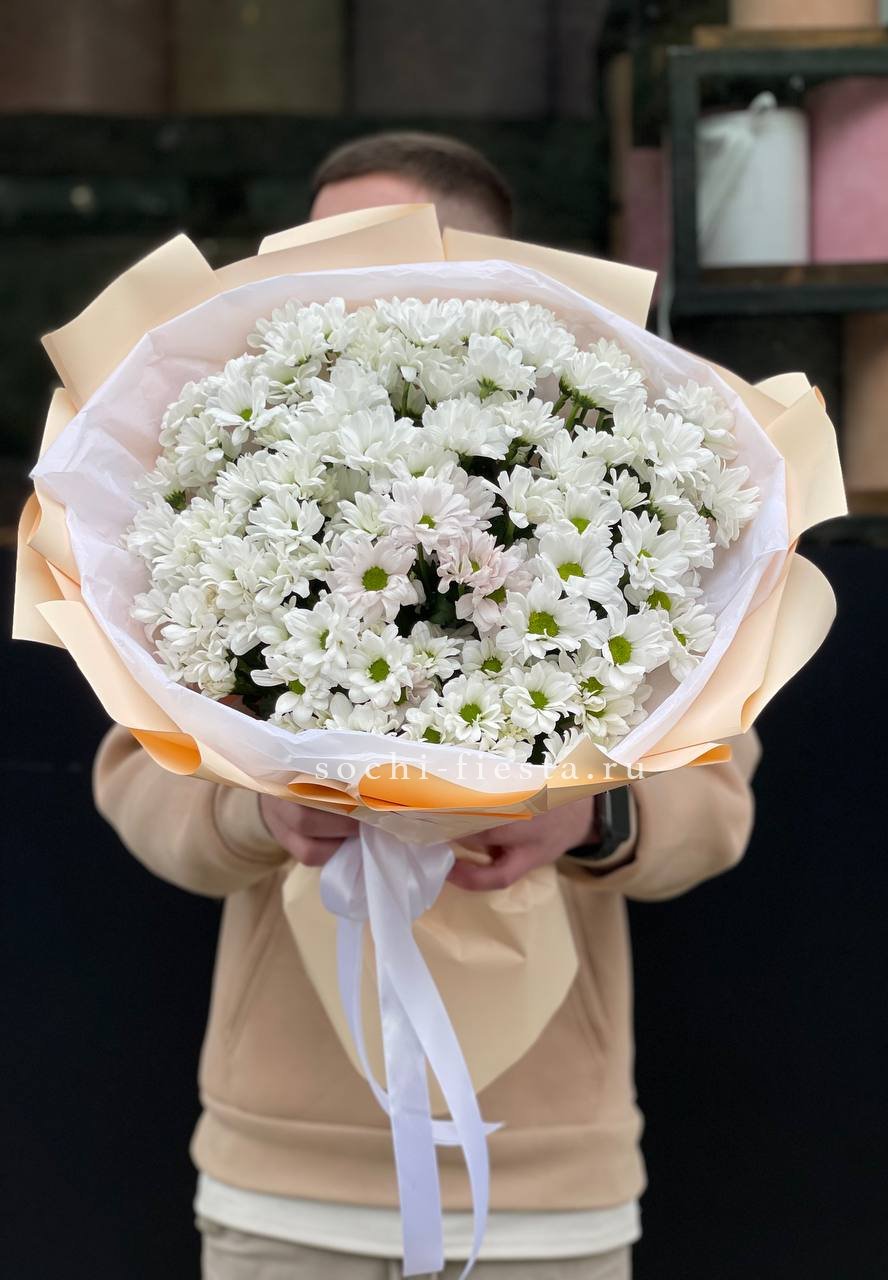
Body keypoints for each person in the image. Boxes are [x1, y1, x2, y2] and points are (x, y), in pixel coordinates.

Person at [94, 130, 761, 1280]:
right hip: (282, 1183)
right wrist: (263, 808)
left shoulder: (617, 485)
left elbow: (718, 802)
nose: (341, 287)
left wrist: (589, 813)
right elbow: (136, 776)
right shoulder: (226, 492)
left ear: (492, 274)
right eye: (312, 261)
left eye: (381, 251)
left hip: (550, 1183)